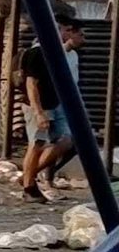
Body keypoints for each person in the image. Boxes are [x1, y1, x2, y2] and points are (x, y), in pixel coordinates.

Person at [19, 16, 84, 202]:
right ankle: (28, 187)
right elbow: (31, 85)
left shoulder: (58, 53)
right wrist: (39, 112)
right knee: (37, 144)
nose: (67, 34)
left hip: (55, 103)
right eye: (65, 30)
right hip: (40, 105)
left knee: (66, 141)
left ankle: (28, 176)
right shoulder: (37, 53)